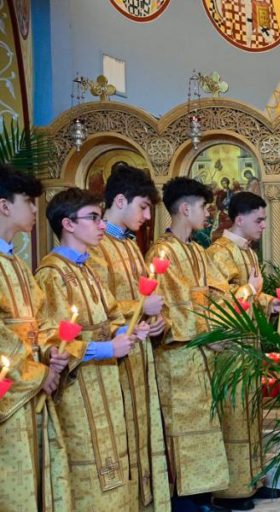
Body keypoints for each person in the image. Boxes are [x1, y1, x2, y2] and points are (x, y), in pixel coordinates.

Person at [35, 188, 154, 510]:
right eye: (93, 218)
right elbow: (49, 338)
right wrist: (104, 348)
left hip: (107, 383)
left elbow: (112, 313)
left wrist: (128, 330)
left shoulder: (86, 268)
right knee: (89, 464)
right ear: (68, 224)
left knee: (115, 459)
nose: (102, 226)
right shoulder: (52, 273)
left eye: (101, 218)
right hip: (79, 389)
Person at [86, 163, 172, 511]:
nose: (148, 216)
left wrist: (156, 322)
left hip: (137, 353)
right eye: (143, 206)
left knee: (140, 435)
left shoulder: (130, 245)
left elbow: (143, 304)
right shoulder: (95, 245)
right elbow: (94, 307)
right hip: (112, 359)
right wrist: (140, 307)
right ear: (119, 200)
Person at [148, 177, 232, 511]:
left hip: (203, 351)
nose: (209, 215)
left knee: (206, 426)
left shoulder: (198, 250)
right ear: (185, 208)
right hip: (178, 356)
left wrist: (223, 326)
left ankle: (203, 497)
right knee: (182, 429)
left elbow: (219, 291)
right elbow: (172, 307)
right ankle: (184, 500)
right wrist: (211, 332)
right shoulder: (161, 252)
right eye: (203, 208)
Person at [0, 164, 72, 511]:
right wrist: (37, 372)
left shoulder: (15, 263)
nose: (34, 210)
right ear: (4, 206)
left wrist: (52, 351)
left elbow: (39, 322)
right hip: (9, 394)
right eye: (28, 201)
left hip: (29, 390)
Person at [205, 191, 280, 509]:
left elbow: (250, 296)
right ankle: (232, 490)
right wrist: (253, 290)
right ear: (239, 219)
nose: (264, 226)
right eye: (259, 219)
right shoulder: (218, 253)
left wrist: (270, 302)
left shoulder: (248, 253)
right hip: (229, 348)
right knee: (234, 416)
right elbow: (221, 302)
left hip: (248, 345)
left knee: (251, 415)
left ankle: (253, 480)